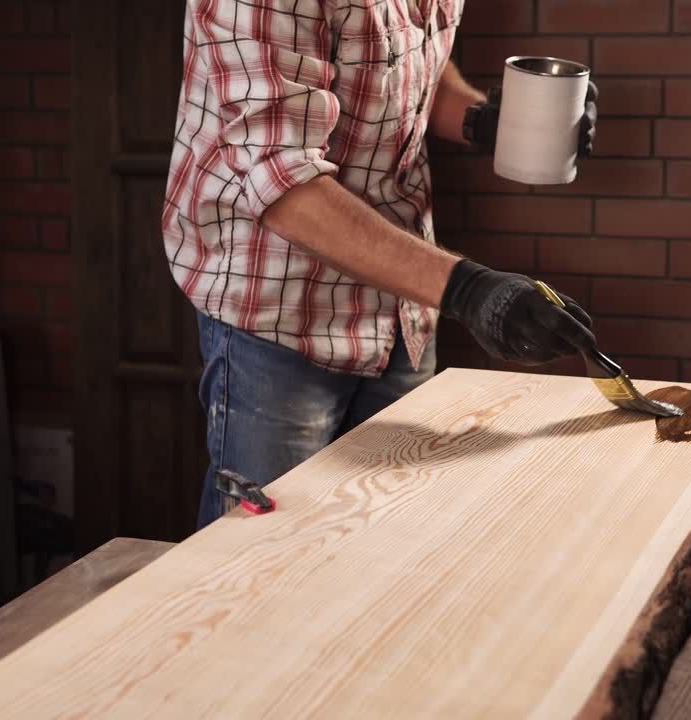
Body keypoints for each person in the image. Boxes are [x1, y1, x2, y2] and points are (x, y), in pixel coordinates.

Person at [163, 0, 600, 529]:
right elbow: (281, 182)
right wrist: (466, 289)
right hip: (279, 308)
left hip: (401, 308)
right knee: (257, 559)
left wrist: (480, 121)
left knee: (387, 541)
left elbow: (403, 66)